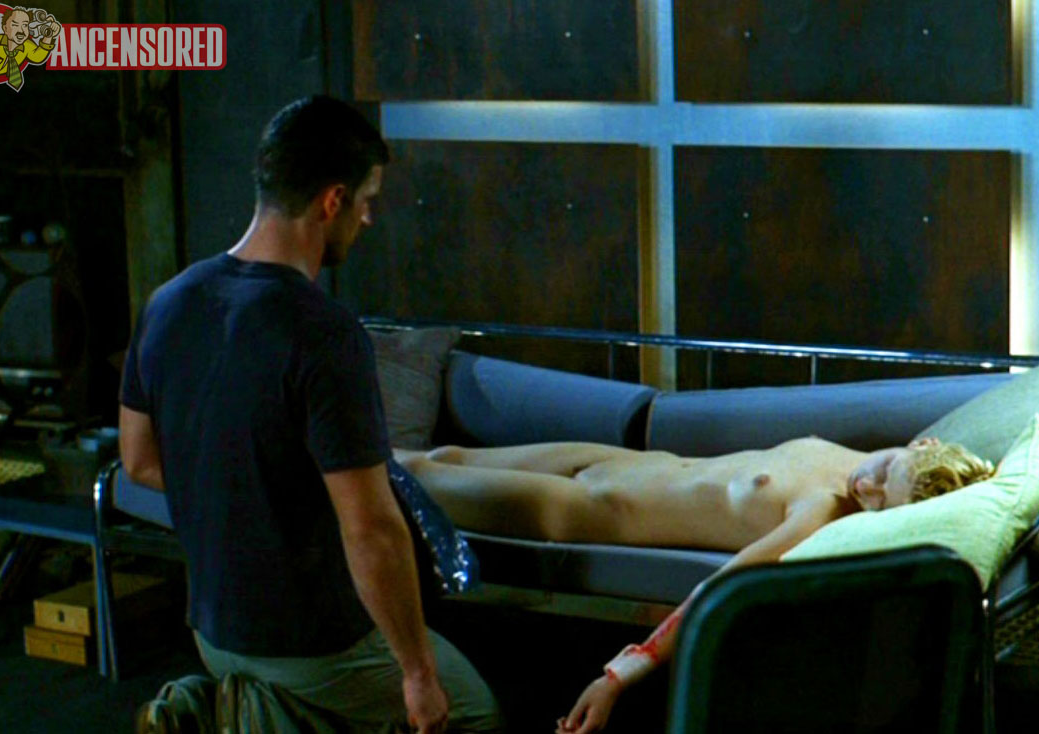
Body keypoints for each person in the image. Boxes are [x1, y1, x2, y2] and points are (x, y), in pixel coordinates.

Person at [119, 96, 502, 734]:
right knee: (472, 713)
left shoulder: (168, 302)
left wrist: (252, 500)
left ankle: (222, 704)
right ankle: (239, 712)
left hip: (212, 632)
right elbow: (371, 530)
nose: (368, 218)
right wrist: (417, 674)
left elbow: (138, 460)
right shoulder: (323, 332)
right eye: (367, 201)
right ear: (332, 200)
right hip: (311, 649)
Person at [393, 436, 994, 733]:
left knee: (406, 475)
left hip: (580, 508)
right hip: (623, 461)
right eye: (884, 471)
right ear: (917, 445)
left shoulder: (822, 510)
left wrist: (617, 676)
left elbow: (719, 593)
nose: (867, 487)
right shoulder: (842, 455)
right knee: (446, 454)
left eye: (880, 501)